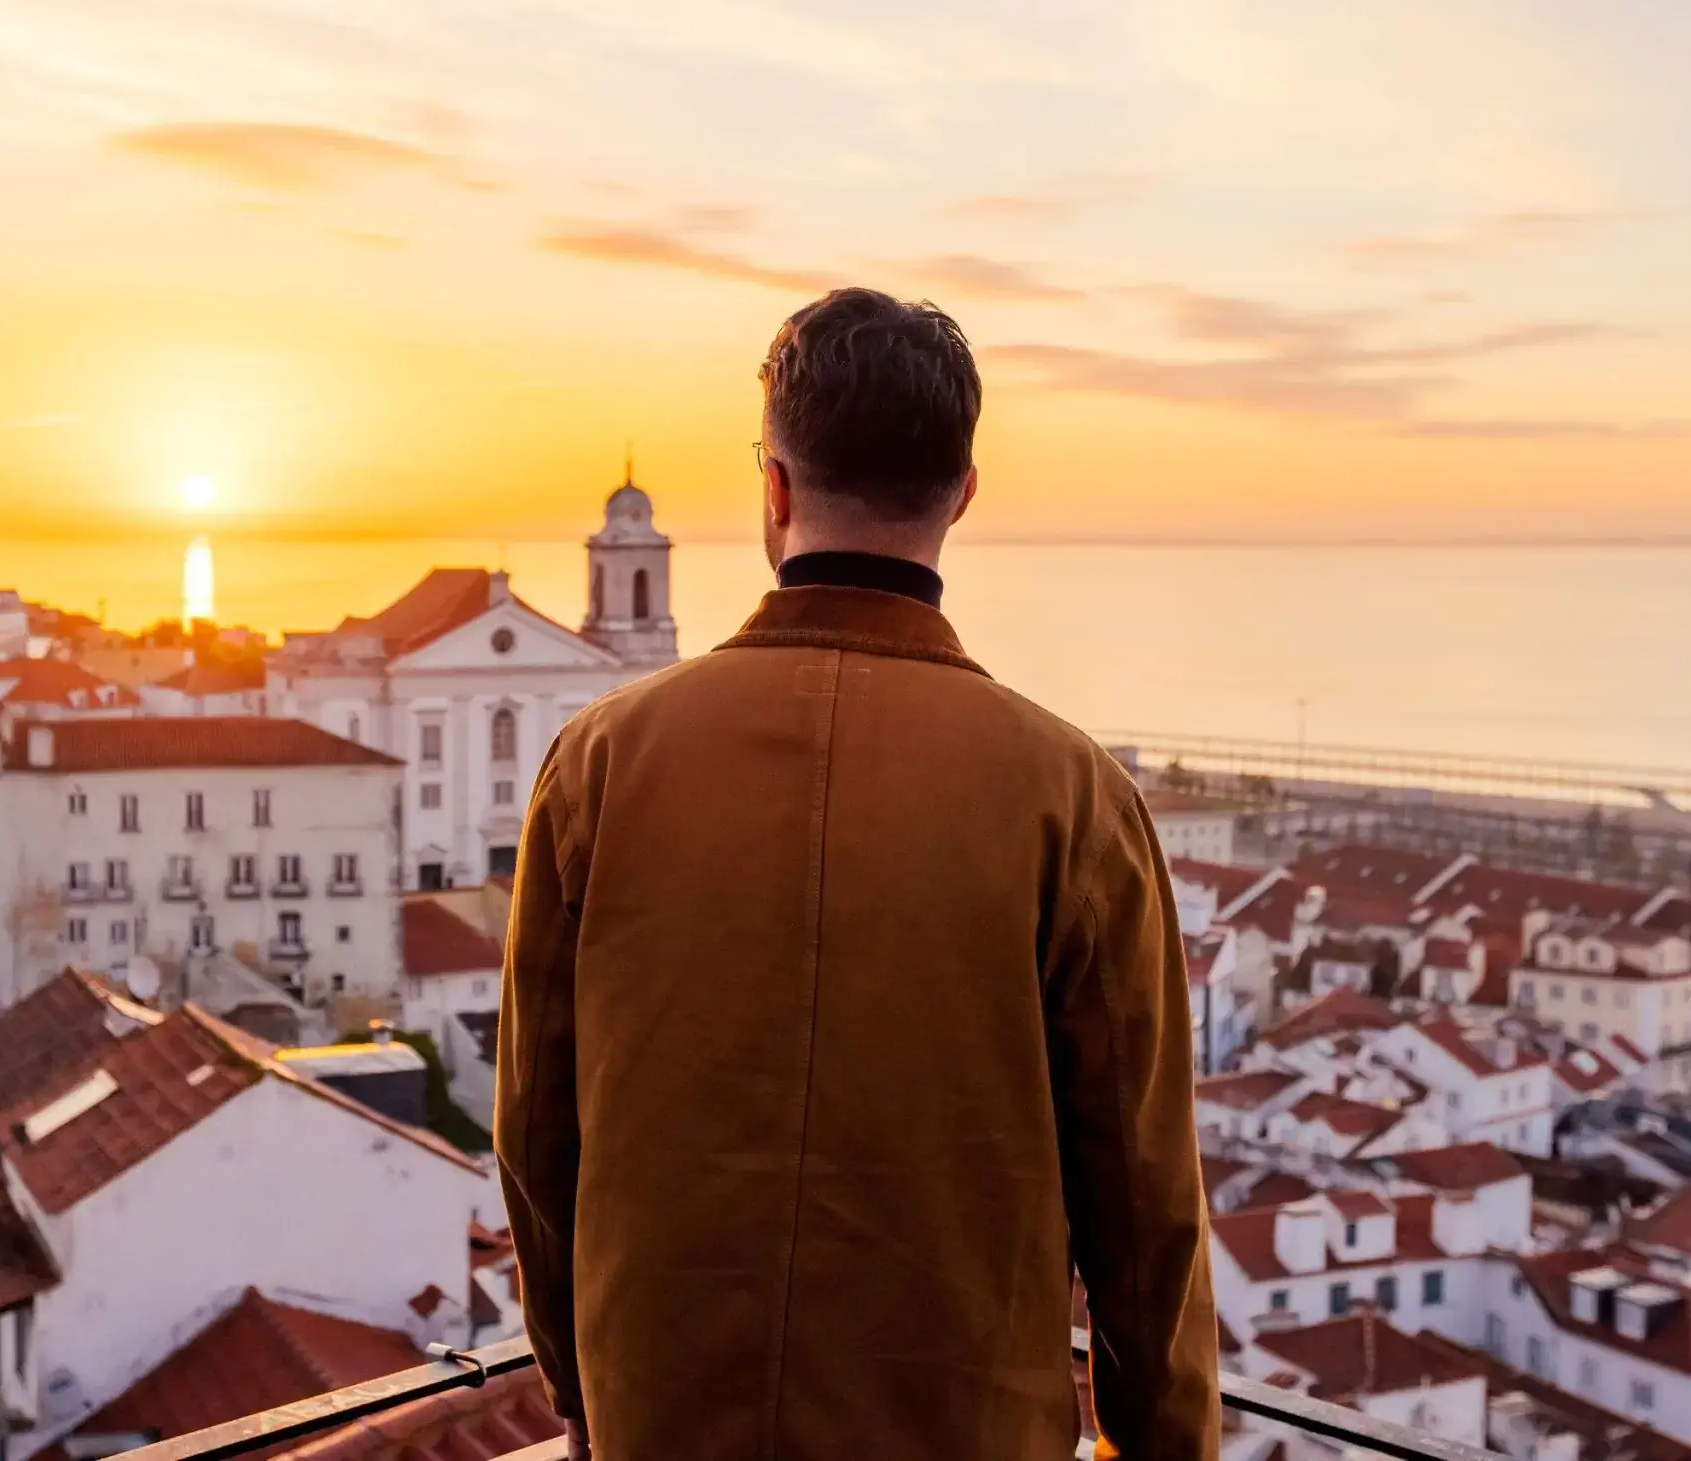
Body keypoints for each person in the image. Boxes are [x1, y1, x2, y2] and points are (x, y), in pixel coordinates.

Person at [496, 287, 1218, 1461]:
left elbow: (537, 1135)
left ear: (773, 487)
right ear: (962, 494)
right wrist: (1166, 1443)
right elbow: (1143, 1205)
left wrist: (588, 1393)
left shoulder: (600, 765)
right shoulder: (1074, 795)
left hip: (669, 1421)